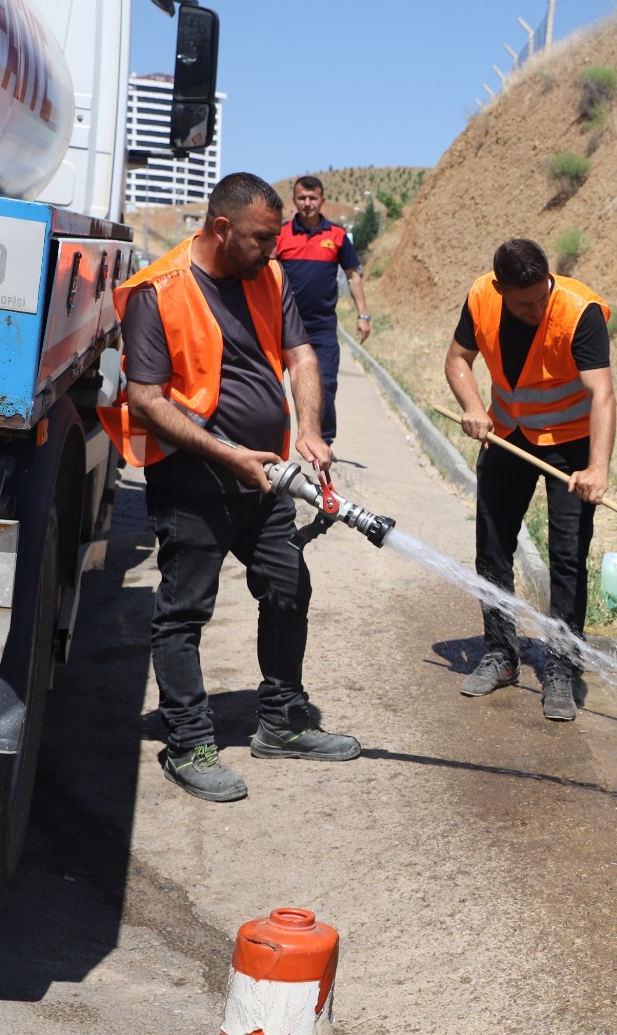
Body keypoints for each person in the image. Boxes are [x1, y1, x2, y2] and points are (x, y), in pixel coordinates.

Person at [99, 172, 361, 803]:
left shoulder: (267, 275)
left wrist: (312, 431)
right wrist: (230, 456)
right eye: (262, 238)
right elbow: (148, 400)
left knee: (288, 584)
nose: (275, 249)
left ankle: (280, 721)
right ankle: (189, 743)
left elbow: (300, 355)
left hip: (264, 476)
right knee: (185, 611)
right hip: (193, 480)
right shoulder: (156, 292)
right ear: (221, 230)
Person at [444, 238, 615, 722]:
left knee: (567, 556)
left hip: (571, 444)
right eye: (523, 303)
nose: (536, 309)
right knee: (492, 548)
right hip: (508, 438)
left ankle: (562, 665)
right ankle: (500, 654)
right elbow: (458, 359)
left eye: (541, 297)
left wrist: (596, 468)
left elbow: (601, 393)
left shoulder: (580, 311)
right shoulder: (481, 297)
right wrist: (474, 409)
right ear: (499, 288)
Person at [275, 175, 371, 446]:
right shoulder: (281, 234)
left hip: (322, 328)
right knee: (270, 386)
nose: (307, 203)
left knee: (325, 385)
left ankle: (322, 440)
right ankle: (270, 440)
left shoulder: (337, 236)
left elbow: (353, 276)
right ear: (294, 200)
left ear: (322, 200)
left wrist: (363, 315)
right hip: (283, 325)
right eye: (302, 198)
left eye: (312, 198)